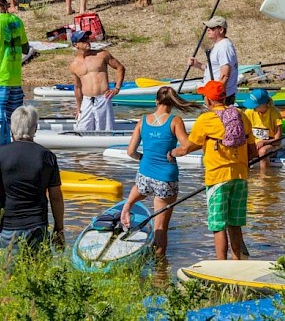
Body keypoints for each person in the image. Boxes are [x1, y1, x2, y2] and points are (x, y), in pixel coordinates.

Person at [170, 81, 257, 260]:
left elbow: (186, 147)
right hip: (240, 176)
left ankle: (221, 266)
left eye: (204, 96)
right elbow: (253, 151)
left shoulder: (205, 119)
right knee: (235, 224)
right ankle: (238, 262)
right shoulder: (241, 114)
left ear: (209, 100)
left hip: (217, 177)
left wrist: (172, 153)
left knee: (218, 225)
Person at [121, 86, 200, 259]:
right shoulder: (175, 121)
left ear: (156, 101)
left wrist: (143, 158)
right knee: (161, 228)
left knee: (140, 191)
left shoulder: (143, 120)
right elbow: (186, 147)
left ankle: (127, 207)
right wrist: (177, 151)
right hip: (166, 178)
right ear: (172, 104)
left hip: (144, 174)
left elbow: (130, 152)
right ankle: (159, 269)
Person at [0, 106, 64, 251]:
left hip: (8, 227)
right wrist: (59, 229)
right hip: (38, 227)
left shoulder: (1, 155)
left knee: (7, 273)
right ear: (35, 128)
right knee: (38, 271)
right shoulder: (47, 156)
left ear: (11, 129)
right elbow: (56, 197)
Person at [69, 30, 125, 131]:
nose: (87, 41)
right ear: (76, 44)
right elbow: (77, 88)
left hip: (103, 98)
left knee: (105, 130)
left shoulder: (102, 55)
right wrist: (79, 108)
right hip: (86, 101)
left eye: (87, 38)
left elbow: (120, 68)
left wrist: (116, 88)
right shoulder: (74, 65)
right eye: (83, 40)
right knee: (82, 130)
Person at [188, 16, 238, 105]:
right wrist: (197, 64)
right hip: (214, 95)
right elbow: (213, 69)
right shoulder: (219, 45)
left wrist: (216, 98)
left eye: (212, 28)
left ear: (221, 30)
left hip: (219, 98)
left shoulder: (224, 47)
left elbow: (224, 75)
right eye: (208, 27)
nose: (208, 30)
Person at [0, 0, 29, 145]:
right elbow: (26, 48)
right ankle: (17, 148)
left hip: (0, 79)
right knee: (16, 120)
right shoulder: (17, 21)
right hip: (15, 79)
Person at [243, 88, 283, 170]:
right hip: (253, 144)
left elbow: (278, 140)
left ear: (264, 104)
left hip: (271, 145)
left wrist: (264, 142)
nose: (253, 107)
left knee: (262, 151)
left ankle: (265, 177)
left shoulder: (275, 114)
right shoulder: (248, 112)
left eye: (255, 105)